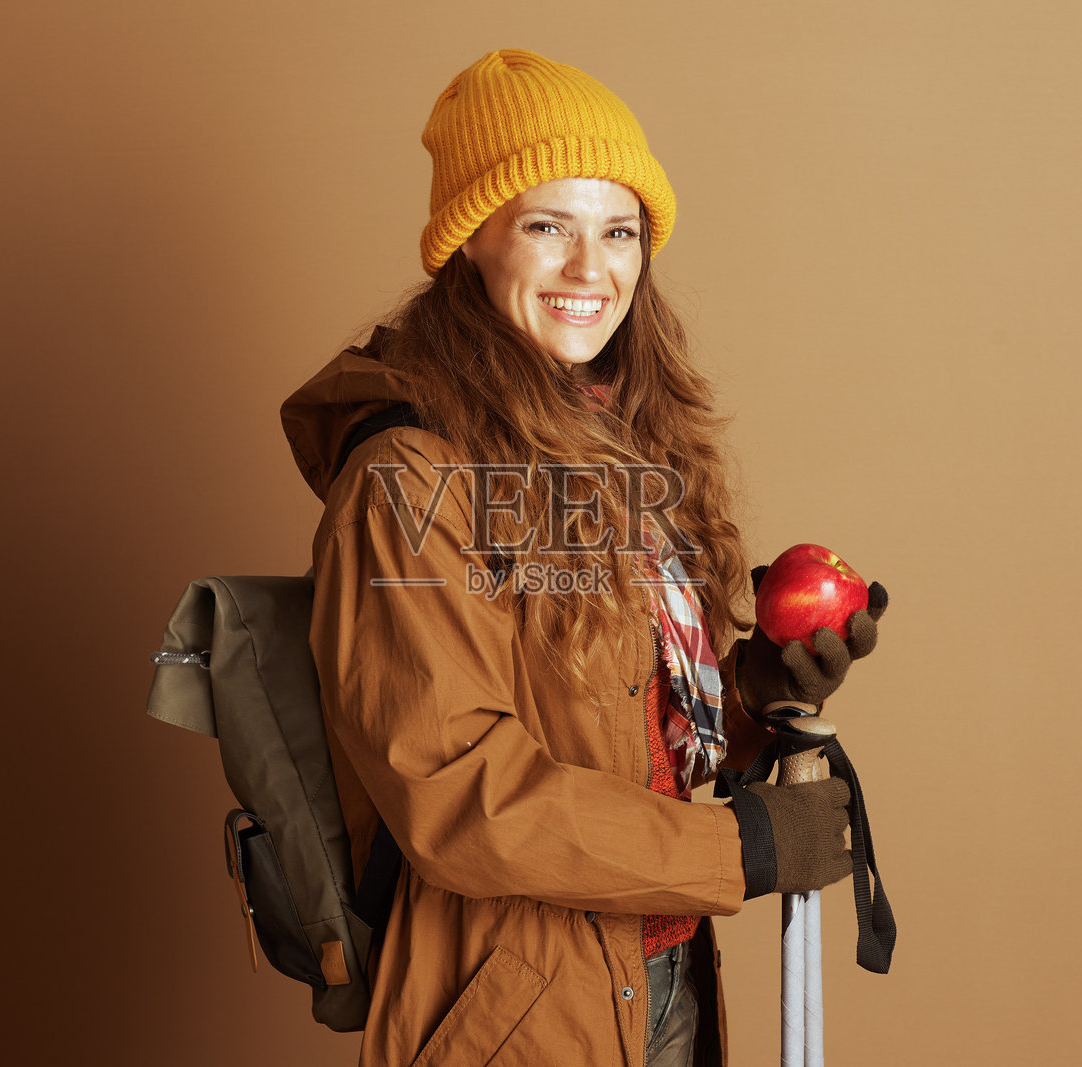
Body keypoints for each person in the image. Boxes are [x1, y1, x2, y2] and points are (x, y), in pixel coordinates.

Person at [279, 48, 885, 1067]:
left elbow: (610, 730)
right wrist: (741, 845)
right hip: (516, 1013)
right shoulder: (409, 480)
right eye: (546, 225)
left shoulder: (616, 448)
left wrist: (748, 694)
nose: (588, 269)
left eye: (617, 231)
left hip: (662, 973)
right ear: (473, 240)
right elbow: (462, 794)